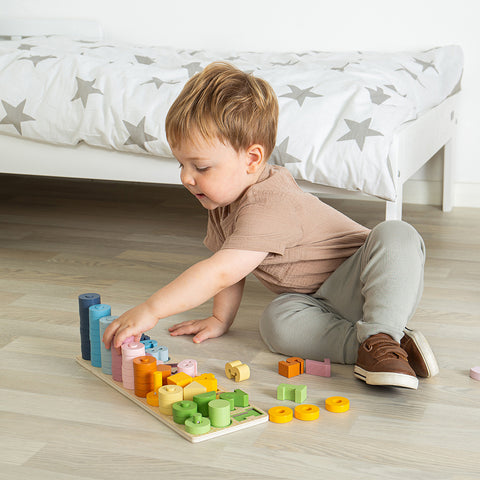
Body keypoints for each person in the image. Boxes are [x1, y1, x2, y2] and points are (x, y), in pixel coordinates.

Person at [103, 62, 438, 389]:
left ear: (252, 159)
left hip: (367, 279)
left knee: (396, 234)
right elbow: (229, 270)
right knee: (276, 322)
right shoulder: (222, 204)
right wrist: (221, 319)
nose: (186, 177)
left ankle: (381, 333)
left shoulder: (268, 201)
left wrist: (152, 309)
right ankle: (383, 344)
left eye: (201, 167)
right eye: (181, 164)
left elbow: (219, 272)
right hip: (316, 303)